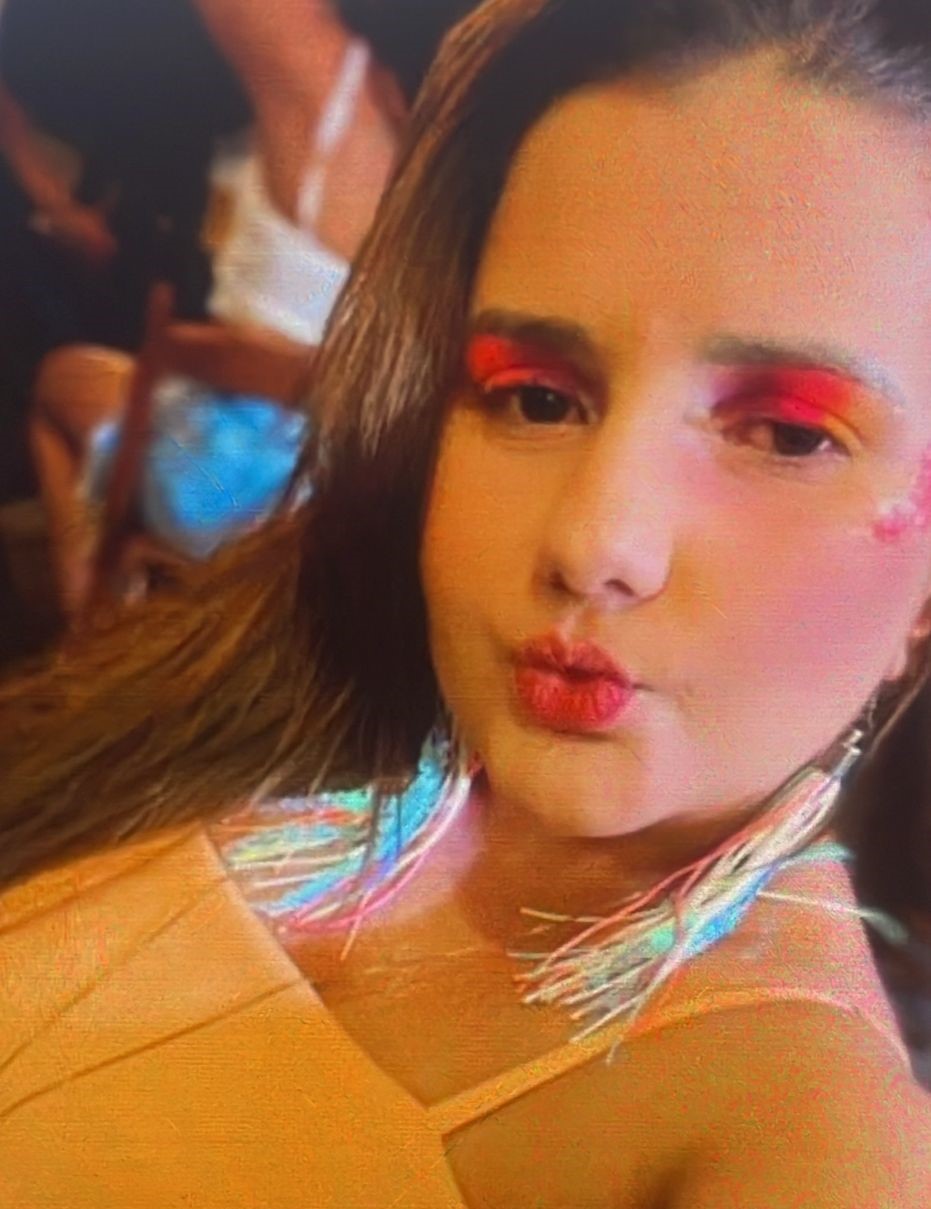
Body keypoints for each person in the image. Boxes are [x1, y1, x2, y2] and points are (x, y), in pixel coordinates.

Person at [2, 1, 931, 1205]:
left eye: (789, 435)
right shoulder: (289, 715)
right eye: (537, 398)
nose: (594, 544)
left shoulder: (806, 1142)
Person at [28, 0, 482, 621]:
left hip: (241, 495)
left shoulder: (333, 100)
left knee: (58, 382)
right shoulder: (462, 153)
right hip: (362, 509)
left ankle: (99, 628)